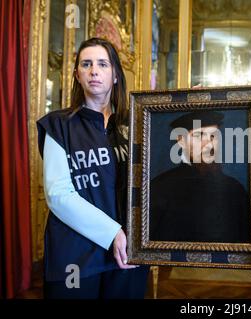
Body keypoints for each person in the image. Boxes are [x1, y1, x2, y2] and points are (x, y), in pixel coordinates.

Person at [37, 38, 149, 299]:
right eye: (86, 64)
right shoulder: (59, 125)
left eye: (102, 64)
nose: (94, 71)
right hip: (75, 255)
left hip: (127, 253)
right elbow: (58, 195)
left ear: (116, 75)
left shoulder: (138, 124)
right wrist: (112, 233)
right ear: (77, 75)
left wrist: (190, 105)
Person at [150, 111, 251, 243]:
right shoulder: (159, 187)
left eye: (213, 136)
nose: (208, 144)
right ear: (181, 140)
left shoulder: (235, 190)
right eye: (199, 135)